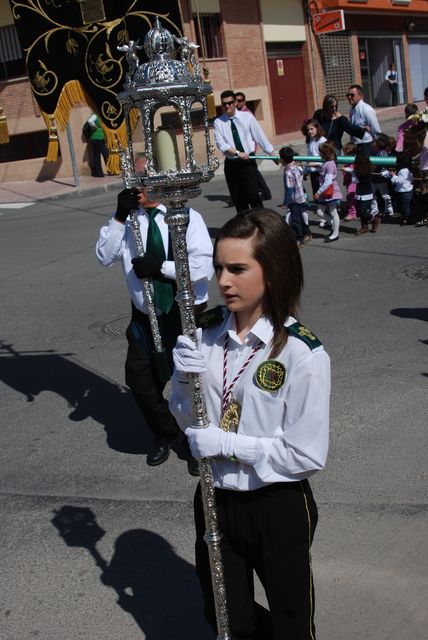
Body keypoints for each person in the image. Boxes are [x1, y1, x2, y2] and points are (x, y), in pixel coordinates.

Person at [169, 210, 330, 640]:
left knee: (291, 623)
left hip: (275, 502)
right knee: (224, 617)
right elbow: (187, 420)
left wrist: (230, 442)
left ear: (273, 272)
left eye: (238, 269)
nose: (223, 281)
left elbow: (306, 453)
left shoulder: (302, 353)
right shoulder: (205, 335)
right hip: (215, 496)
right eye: (220, 267)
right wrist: (183, 384)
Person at [95, 186, 214, 474]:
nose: (138, 187)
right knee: (140, 381)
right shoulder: (127, 221)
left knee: (191, 382)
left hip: (183, 313)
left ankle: (195, 441)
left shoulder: (185, 216)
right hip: (144, 317)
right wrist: (120, 217)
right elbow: (104, 256)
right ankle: (165, 431)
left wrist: (161, 267)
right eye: (134, 179)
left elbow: (202, 267)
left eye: (145, 179)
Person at [214, 90, 276, 213]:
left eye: (230, 103)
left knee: (253, 196)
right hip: (232, 164)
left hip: (248, 163)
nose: (227, 106)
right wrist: (237, 153)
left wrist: (272, 154)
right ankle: (246, 229)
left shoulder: (247, 117)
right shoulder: (219, 122)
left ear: (236, 102)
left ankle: (261, 226)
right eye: (224, 104)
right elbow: (221, 144)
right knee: (239, 201)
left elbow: (259, 135)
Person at [278, 146, 312, 248]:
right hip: (301, 197)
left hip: (295, 200)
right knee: (300, 217)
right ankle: (307, 233)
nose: (279, 160)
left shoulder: (288, 172)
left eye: (280, 158)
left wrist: (285, 202)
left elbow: (289, 189)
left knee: (295, 220)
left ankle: (299, 239)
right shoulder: (296, 167)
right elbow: (304, 173)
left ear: (283, 160)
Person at [313, 142, 342, 242]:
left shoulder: (330, 164)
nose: (319, 153)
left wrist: (318, 192)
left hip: (330, 192)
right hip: (325, 193)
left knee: (334, 213)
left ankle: (335, 233)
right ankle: (334, 224)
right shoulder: (326, 163)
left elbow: (328, 181)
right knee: (319, 212)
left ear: (325, 153)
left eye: (320, 152)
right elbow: (323, 167)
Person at [301, 118, 328, 228]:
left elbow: (323, 159)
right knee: (317, 195)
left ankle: (327, 217)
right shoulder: (310, 141)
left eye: (311, 129)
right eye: (308, 130)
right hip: (313, 173)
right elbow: (309, 157)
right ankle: (323, 216)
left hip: (321, 172)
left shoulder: (322, 141)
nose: (309, 132)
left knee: (322, 195)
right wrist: (306, 171)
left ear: (317, 128)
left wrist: (308, 165)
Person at [347, 84, 381, 155]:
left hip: (366, 145)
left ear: (360, 96)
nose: (349, 97)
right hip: (356, 145)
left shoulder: (366, 109)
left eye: (352, 95)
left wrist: (377, 145)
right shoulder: (352, 110)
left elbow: (376, 130)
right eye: (348, 95)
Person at [382, 152, 414, 225]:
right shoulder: (407, 169)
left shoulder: (403, 171)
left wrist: (393, 176)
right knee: (404, 206)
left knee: (405, 207)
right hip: (406, 191)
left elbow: (400, 181)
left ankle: (407, 219)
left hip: (404, 192)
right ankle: (405, 218)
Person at [353, 153, 380, 235]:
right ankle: (364, 227)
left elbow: (354, 180)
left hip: (366, 195)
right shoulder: (363, 170)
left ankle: (374, 219)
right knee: (360, 211)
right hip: (360, 194)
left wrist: (352, 173)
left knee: (363, 212)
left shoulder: (364, 172)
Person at [371, 133, 394, 216]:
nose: (372, 142)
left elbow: (381, 164)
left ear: (378, 143)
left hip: (381, 178)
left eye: (373, 141)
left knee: (385, 195)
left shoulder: (382, 153)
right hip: (373, 178)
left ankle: (389, 209)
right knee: (371, 195)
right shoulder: (375, 152)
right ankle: (374, 210)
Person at [86, 113, 109, 177]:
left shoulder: (102, 116)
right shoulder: (95, 115)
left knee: (103, 154)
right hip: (96, 138)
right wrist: (94, 126)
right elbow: (90, 121)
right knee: (99, 155)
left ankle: (99, 172)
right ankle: (98, 173)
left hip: (100, 138)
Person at [342, 141, 358, 221]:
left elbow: (353, 170)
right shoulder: (346, 161)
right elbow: (345, 173)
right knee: (351, 197)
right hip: (348, 182)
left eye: (346, 152)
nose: (345, 154)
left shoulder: (354, 160)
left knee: (351, 197)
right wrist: (345, 180)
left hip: (353, 182)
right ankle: (354, 211)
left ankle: (352, 213)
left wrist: (346, 169)